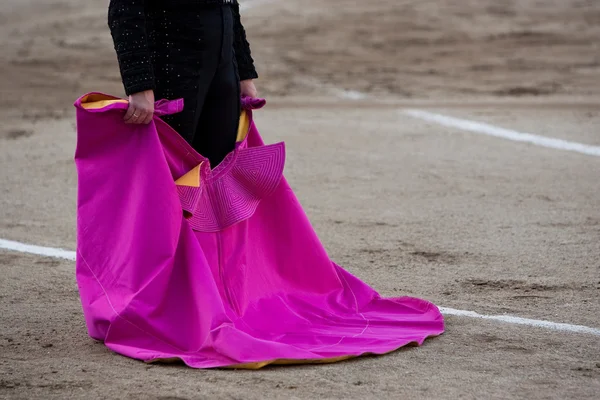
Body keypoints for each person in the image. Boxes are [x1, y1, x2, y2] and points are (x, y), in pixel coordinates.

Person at [108, 0, 259, 167]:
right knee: (170, 169)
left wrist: (243, 72)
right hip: (173, 59)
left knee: (220, 164)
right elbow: (125, 8)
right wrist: (140, 84)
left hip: (224, 60)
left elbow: (230, 4)